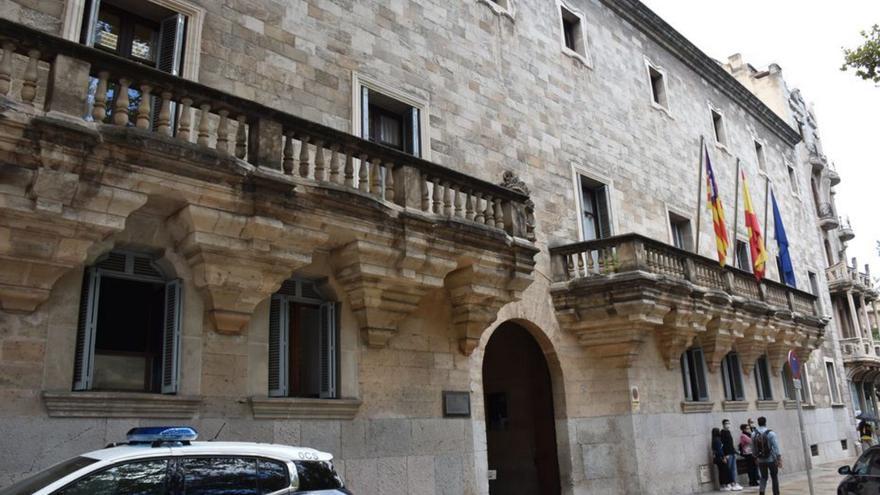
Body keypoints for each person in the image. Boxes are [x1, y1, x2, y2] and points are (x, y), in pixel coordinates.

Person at [753, 416, 782, 495]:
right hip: (771, 459)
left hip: (760, 459)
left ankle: (762, 492)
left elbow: (753, 448)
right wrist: (779, 458)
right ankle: (776, 493)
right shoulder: (771, 433)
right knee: (774, 477)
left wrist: (755, 458)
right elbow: (776, 447)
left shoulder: (753, 434)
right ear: (765, 422)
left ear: (758, 423)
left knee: (763, 477)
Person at [720, 419, 743, 491]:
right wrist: (725, 454)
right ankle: (730, 483)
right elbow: (723, 445)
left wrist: (735, 451)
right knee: (729, 469)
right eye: (726, 423)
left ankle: (734, 483)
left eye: (728, 423)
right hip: (728, 454)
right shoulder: (722, 433)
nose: (728, 424)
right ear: (723, 424)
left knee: (733, 469)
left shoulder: (728, 432)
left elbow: (730, 444)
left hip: (732, 453)